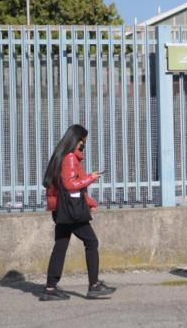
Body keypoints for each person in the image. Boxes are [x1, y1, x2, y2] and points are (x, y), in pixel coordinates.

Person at [40, 124, 116, 301]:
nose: (84, 144)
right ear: (77, 140)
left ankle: (50, 288)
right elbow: (70, 185)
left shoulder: (60, 156)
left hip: (61, 208)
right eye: (83, 141)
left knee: (60, 245)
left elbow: (70, 184)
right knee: (91, 242)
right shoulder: (70, 157)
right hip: (70, 211)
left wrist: (89, 200)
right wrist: (91, 178)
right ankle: (94, 286)